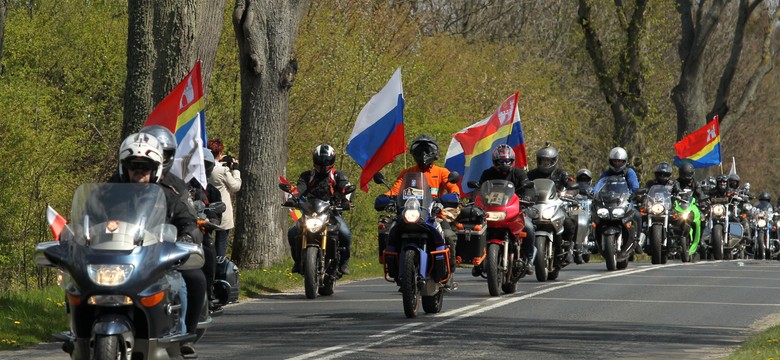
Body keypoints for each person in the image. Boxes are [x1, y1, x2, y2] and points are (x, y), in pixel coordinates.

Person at [113, 133, 204, 358]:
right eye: (133, 166)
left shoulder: (169, 192)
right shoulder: (111, 189)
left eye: (145, 167)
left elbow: (187, 220)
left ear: (155, 169)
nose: (139, 172)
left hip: (157, 257)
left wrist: (187, 238)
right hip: (118, 255)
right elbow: (91, 214)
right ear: (124, 167)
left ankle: (182, 336)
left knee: (185, 282)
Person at [383, 134, 461, 275]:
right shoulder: (407, 173)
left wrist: (453, 196)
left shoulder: (441, 172)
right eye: (419, 149)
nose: (423, 153)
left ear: (434, 152)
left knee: (449, 236)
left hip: (434, 214)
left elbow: (453, 188)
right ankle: (392, 266)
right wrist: (385, 197)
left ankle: (448, 272)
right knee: (389, 231)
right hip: (409, 212)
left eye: (427, 149)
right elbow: (394, 191)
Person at [288, 144, 354, 275]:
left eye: (326, 161)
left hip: (332, 213)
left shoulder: (338, 176)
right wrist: (292, 199)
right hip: (310, 213)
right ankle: (297, 261)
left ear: (332, 161)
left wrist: (346, 201)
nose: (323, 165)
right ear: (314, 161)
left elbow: (346, 188)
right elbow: (298, 189)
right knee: (292, 231)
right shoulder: (307, 176)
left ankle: (344, 263)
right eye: (320, 161)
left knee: (345, 233)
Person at [476, 144, 537, 275]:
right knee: (475, 228)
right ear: (495, 162)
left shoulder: (519, 173)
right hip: (491, 211)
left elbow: (528, 187)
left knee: (529, 228)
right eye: (501, 161)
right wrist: (475, 199)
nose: (504, 164)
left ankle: (529, 259)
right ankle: (477, 260)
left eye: (507, 161)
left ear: (512, 161)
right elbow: (478, 189)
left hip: (513, 211)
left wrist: (527, 197)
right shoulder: (488, 173)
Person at [527, 143, 577, 261]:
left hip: (555, 204)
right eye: (543, 160)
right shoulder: (531, 174)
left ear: (554, 161)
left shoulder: (561, 174)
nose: (545, 163)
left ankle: (568, 247)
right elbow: (524, 186)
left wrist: (569, 193)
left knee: (570, 222)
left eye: (548, 161)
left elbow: (571, 185)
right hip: (536, 205)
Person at [188, 150, 222, 312]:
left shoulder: (212, 191)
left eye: (204, 166)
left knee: (209, 251)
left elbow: (216, 212)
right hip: (179, 230)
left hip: (200, 231)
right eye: (197, 166)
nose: (200, 170)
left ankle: (208, 294)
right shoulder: (179, 186)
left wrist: (212, 221)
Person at [593, 147, 643, 253]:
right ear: (611, 161)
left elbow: (634, 186)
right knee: (594, 217)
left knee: (637, 216)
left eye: (619, 161)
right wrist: (593, 193)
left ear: (624, 161)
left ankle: (637, 241)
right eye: (615, 161)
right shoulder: (607, 173)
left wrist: (635, 193)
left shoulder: (629, 172)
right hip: (608, 202)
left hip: (625, 201)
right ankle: (594, 241)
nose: (617, 163)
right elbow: (599, 185)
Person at [207, 139, 242, 260]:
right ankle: (220, 269)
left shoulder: (204, 168)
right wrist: (235, 169)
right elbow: (235, 186)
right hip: (222, 210)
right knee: (221, 244)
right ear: (220, 152)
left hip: (207, 210)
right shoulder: (222, 170)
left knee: (206, 242)